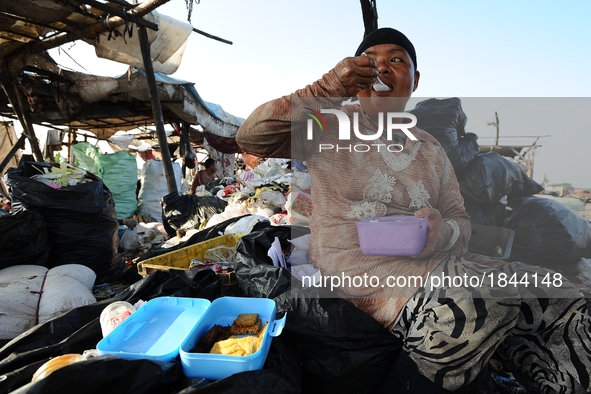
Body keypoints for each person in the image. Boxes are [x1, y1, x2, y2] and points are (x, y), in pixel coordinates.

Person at [236, 27, 591, 393]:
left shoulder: (430, 147)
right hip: (350, 269)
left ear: (415, 79)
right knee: (476, 302)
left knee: (558, 294)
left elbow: (460, 219)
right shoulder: (327, 124)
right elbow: (251, 137)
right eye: (370, 61)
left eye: (396, 60)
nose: (382, 68)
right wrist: (328, 88)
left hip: (430, 264)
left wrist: (443, 232)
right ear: (356, 76)